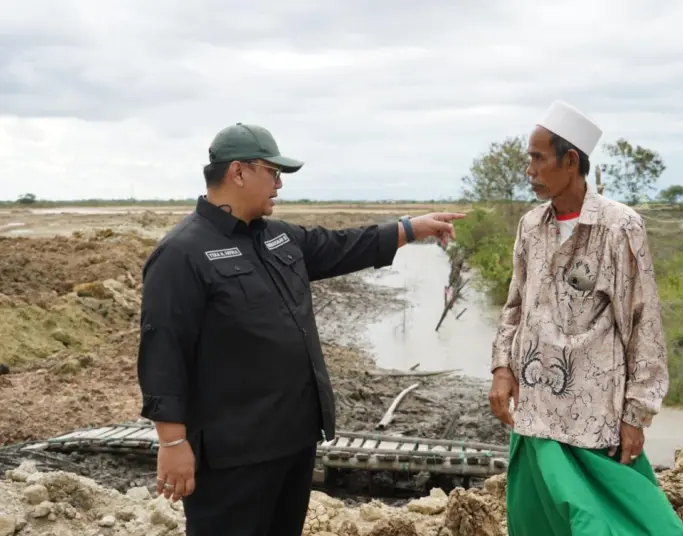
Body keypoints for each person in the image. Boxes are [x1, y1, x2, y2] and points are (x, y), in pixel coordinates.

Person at [136, 122, 465, 536]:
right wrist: (171, 443)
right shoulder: (181, 254)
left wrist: (411, 228)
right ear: (238, 172)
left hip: (293, 440)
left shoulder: (277, 237)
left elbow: (343, 245)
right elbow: (163, 352)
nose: (279, 184)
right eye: (273, 173)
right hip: (233, 454)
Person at [488, 101, 683, 535]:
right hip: (536, 412)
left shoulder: (620, 228)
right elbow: (515, 305)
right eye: (530, 158)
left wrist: (636, 415)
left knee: (602, 525)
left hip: (593, 420)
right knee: (537, 522)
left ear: (570, 160)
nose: (530, 169)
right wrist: (503, 368)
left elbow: (644, 325)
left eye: (538, 158)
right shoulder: (530, 226)